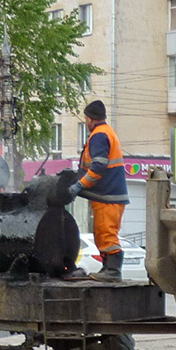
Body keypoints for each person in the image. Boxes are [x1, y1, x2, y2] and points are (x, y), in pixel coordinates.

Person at [67, 100, 128, 281]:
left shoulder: (99, 136)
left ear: (91, 119)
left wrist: (79, 185)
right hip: (109, 194)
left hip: (109, 194)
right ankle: (108, 268)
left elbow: (99, 167)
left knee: (107, 233)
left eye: (86, 119)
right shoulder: (106, 133)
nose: (86, 122)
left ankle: (113, 271)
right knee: (103, 232)